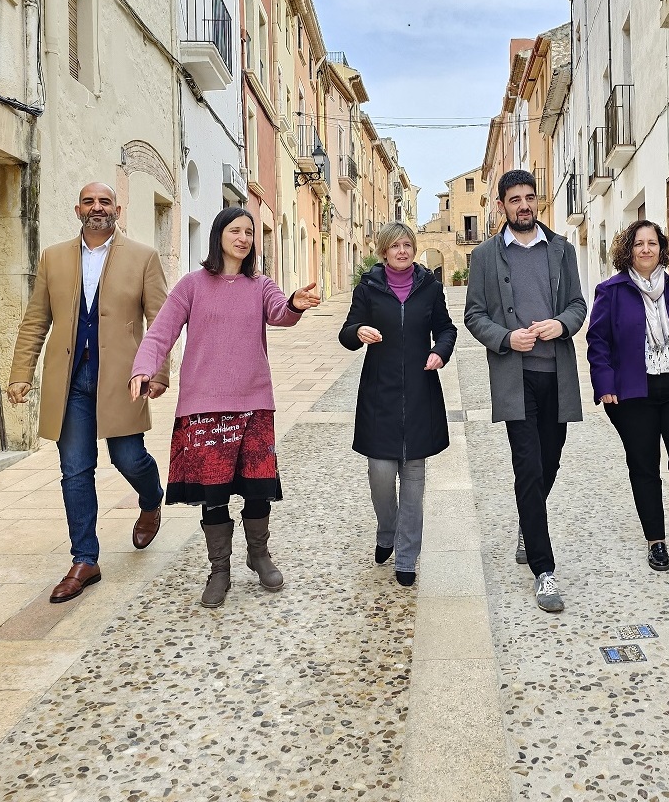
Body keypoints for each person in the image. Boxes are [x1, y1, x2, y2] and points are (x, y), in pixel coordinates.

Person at [130, 206, 320, 607]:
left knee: (257, 489)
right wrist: (144, 368)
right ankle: (219, 569)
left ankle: (259, 554)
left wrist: (297, 304)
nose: (243, 238)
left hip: (254, 404)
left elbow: (279, 314)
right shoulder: (192, 285)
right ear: (219, 235)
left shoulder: (260, 284)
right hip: (204, 406)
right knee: (213, 493)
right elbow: (160, 331)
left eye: (249, 232)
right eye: (235, 230)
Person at [7, 182, 169, 604]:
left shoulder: (142, 257)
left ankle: (151, 499)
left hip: (123, 379)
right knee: (75, 470)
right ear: (77, 208)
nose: (97, 208)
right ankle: (85, 559)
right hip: (71, 381)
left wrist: (158, 371)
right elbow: (35, 320)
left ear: (117, 208)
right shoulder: (54, 257)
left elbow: (161, 320)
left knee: (128, 458)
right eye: (89, 202)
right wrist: (21, 373)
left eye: (105, 202)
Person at [464, 169, 586, 612]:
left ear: (538, 202)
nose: (523, 205)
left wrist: (561, 324)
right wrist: (505, 338)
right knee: (529, 466)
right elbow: (474, 315)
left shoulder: (562, 251)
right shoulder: (483, 257)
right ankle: (544, 569)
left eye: (530, 198)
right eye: (514, 199)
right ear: (501, 206)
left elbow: (578, 304)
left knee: (549, 461)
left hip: (557, 374)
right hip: (515, 378)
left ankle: (525, 519)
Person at [587, 221, 669, 572]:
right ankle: (656, 541)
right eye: (638, 243)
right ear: (627, 250)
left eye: (652, 243)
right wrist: (605, 384)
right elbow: (597, 342)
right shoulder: (610, 291)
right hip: (634, 395)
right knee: (644, 467)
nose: (646, 249)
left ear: (661, 248)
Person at [338, 222, 457, 587]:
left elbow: (447, 329)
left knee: (414, 480)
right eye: (395, 245)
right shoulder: (369, 288)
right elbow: (346, 331)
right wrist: (358, 332)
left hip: (420, 392)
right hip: (380, 394)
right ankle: (386, 529)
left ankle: (406, 556)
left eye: (408, 244)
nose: (402, 251)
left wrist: (440, 351)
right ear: (384, 251)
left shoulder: (430, 288)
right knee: (381, 473)